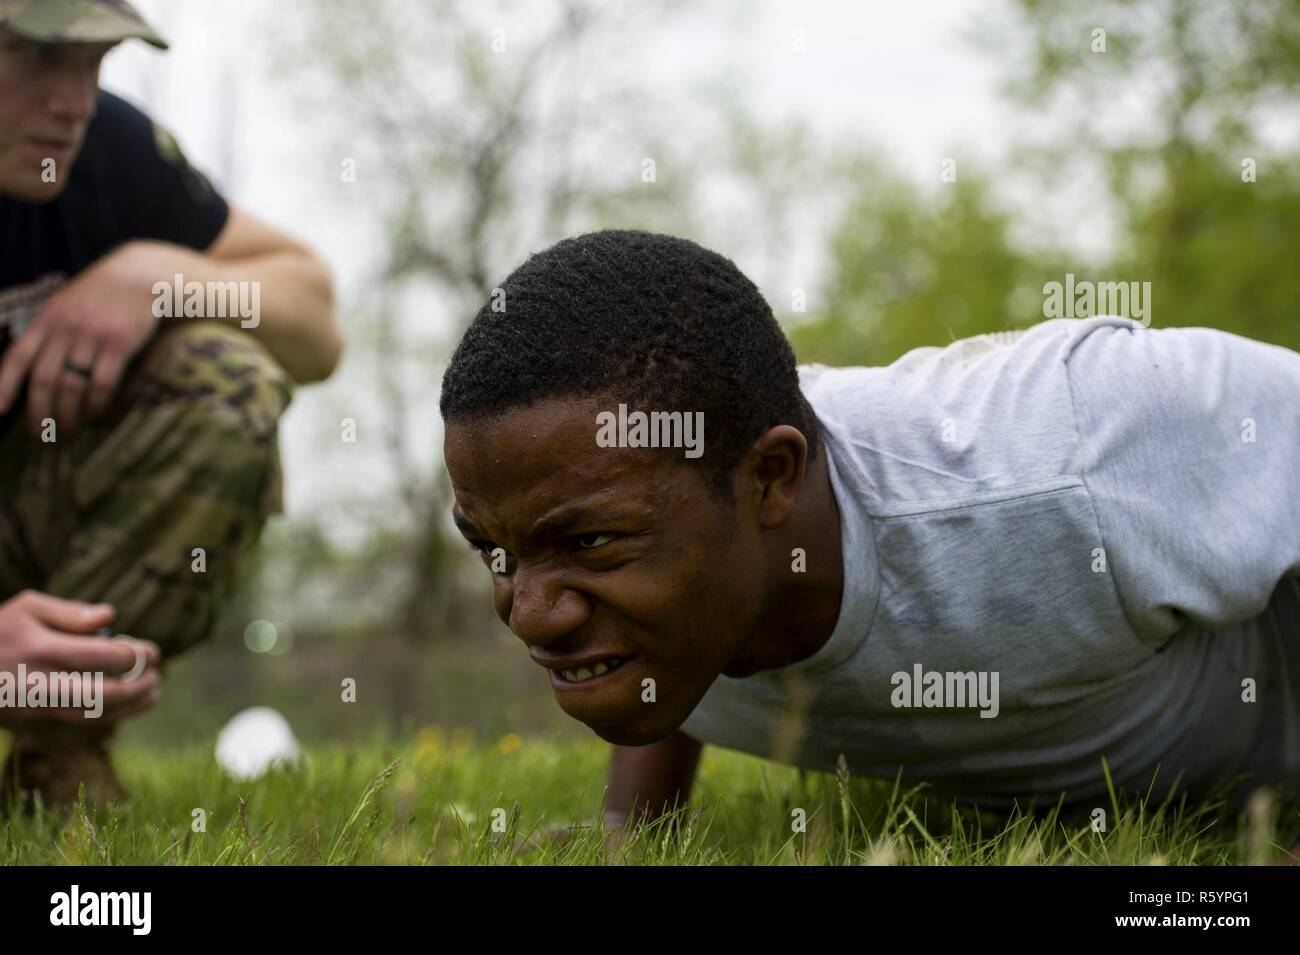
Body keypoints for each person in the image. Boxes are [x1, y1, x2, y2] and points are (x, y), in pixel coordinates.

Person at [439, 228, 1300, 836]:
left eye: (589, 543)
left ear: (770, 480)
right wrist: (635, 826)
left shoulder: (1073, 442)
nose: (532, 614)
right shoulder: (682, 547)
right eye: (496, 550)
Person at [0, 0, 340, 807]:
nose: (75, 101)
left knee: (225, 383)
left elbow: (316, 325)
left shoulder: (103, 152)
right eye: (39, 56)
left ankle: (59, 752)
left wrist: (163, 277)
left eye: (94, 63)